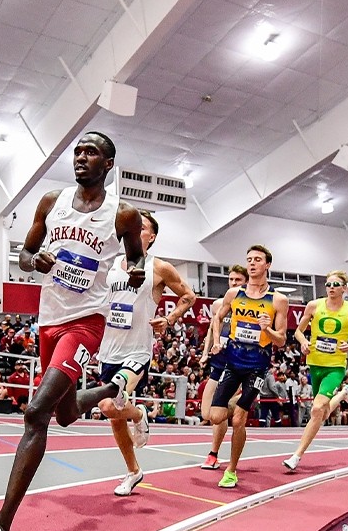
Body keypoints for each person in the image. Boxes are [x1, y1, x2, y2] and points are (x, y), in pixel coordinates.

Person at [0, 131, 145, 531]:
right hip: (49, 319)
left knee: (36, 412)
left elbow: (135, 257)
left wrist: (134, 272)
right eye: (78, 152)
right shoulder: (50, 202)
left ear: (108, 164)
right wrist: (34, 260)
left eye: (91, 153)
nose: (81, 158)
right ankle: (111, 390)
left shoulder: (123, 214)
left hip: (87, 323)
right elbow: (24, 254)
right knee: (63, 415)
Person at [96, 210, 197, 496]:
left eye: (142, 227)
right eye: (131, 225)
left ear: (151, 236)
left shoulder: (160, 268)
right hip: (108, 350)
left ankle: (139, 414)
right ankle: (133, 471)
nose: (135, 230)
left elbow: (188, 296)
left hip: (137, 351)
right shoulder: (111, 265)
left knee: (108, 405)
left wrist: (170, 318)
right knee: (115, 417)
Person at [207, 245, 290, 488]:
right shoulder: (234, 294)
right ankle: (240, 400)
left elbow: (282, 339)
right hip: (233, 362)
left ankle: (231, 470)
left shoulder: (278, 300)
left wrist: (268, 329)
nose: (252, 263)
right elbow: (218, 317)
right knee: (215, 416)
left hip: (258, 366)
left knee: (238, 420)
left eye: (257, 260)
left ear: (267, 265)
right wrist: (216, 341)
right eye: (249, 259)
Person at [283, 270, 348, 470]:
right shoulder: (314, 306)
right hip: (314, 364)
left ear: (344, 288)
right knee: (321, 413)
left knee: (316, 409)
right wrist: (304, 341)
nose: (331, 287)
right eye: (328, 284)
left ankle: (296, 456)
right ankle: (343, 394)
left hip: (335, 367)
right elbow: (297, 331)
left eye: (335, 284)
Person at [198, 265, 248, 469]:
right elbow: (213, 327)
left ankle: (213, 454)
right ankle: (239, 402)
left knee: (219, 415)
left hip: (237, 365)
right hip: (218, 362)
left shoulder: (249, 306)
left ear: (246, 282)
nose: (234, 283)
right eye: (231, 280)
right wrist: (204, 352)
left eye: (238, 280)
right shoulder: (218, 304)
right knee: (206, 414)